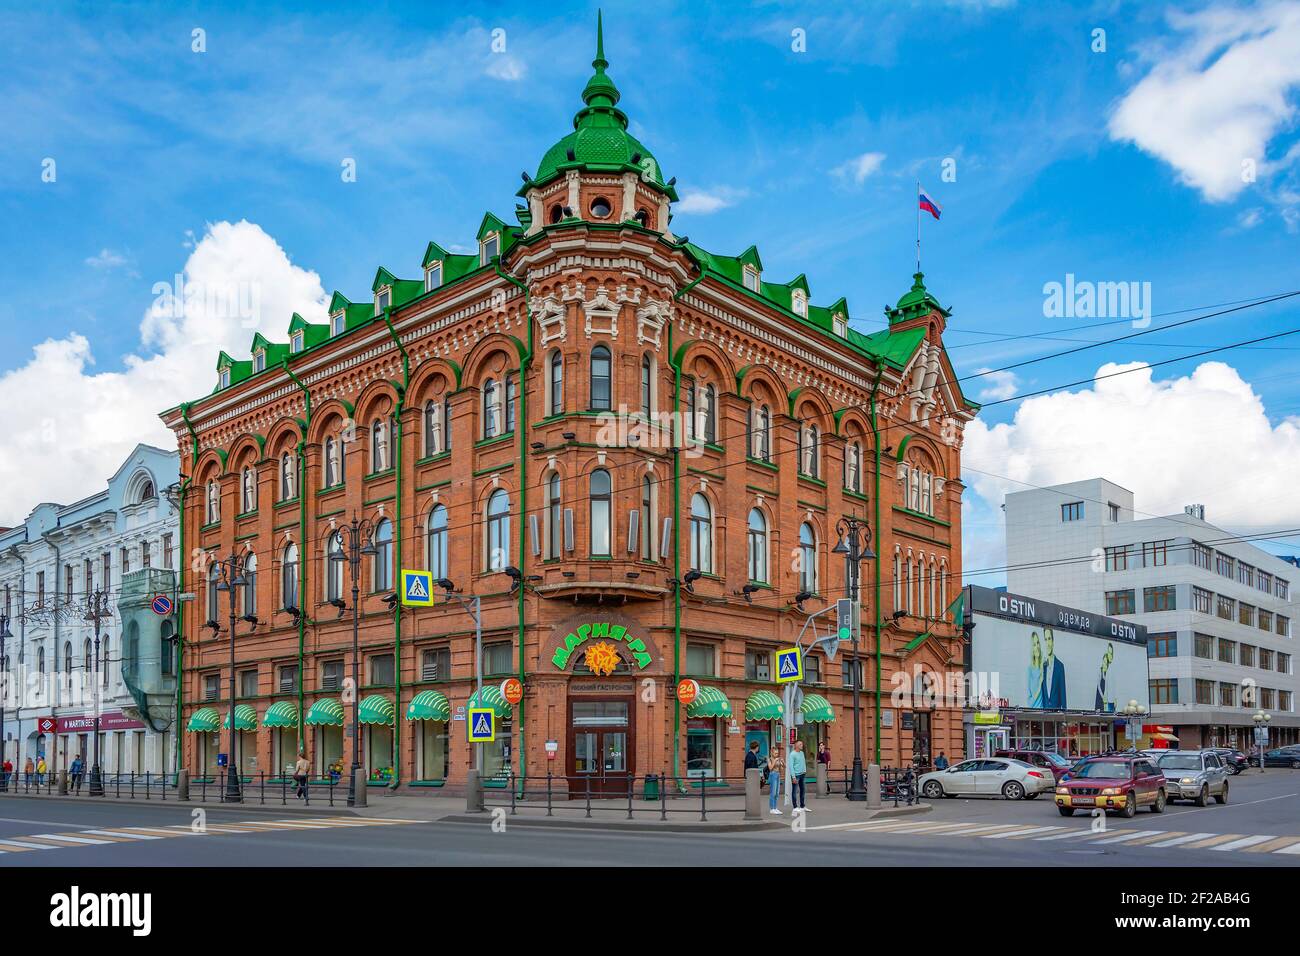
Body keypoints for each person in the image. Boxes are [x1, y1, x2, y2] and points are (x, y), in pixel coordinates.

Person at [1041, 626, 1067, 709]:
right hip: (1044, 714)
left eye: (1049, 639)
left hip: (1057, 715)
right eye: (1045, 639)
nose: (1048, 643)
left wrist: (1064, 713)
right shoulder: (1043, 667)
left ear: (1053, 641)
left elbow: (1063, 693)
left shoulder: (1060, 666)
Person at [1026, 631, 1044, 708]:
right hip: (1034, 714)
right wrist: (1039, 687)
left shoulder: (1044, 667)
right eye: (1034, 645)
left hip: (1046, 714)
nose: (1036, 647)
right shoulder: (1030, 670)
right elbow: (1029, 703)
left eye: (1037, 643)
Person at [789, 740, 808, 814]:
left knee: (802, 790)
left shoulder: (802, 753)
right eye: (800, 744)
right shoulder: (792, 754)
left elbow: (803, 763)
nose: (802, 745)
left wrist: (804, 771)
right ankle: (795, 807)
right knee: (794, 791)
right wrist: (793, 777)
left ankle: (802, 806)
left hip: (802, 774)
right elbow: (791, 766)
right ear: (796, 745)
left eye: (802, 744)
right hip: (796, 775)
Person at [766, 743, 784, 815]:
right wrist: (775, 760)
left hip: (778, 775)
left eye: (777, 753)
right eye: (775, 753)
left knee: (777, 793)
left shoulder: (778, 759)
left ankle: (775, 808)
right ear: (772, 752)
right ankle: (772, 808)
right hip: (772, 774)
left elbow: (782, 769)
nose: (777, 754)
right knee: (772, 792)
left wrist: (782, 762)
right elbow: (770, 768)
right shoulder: (769, 759)